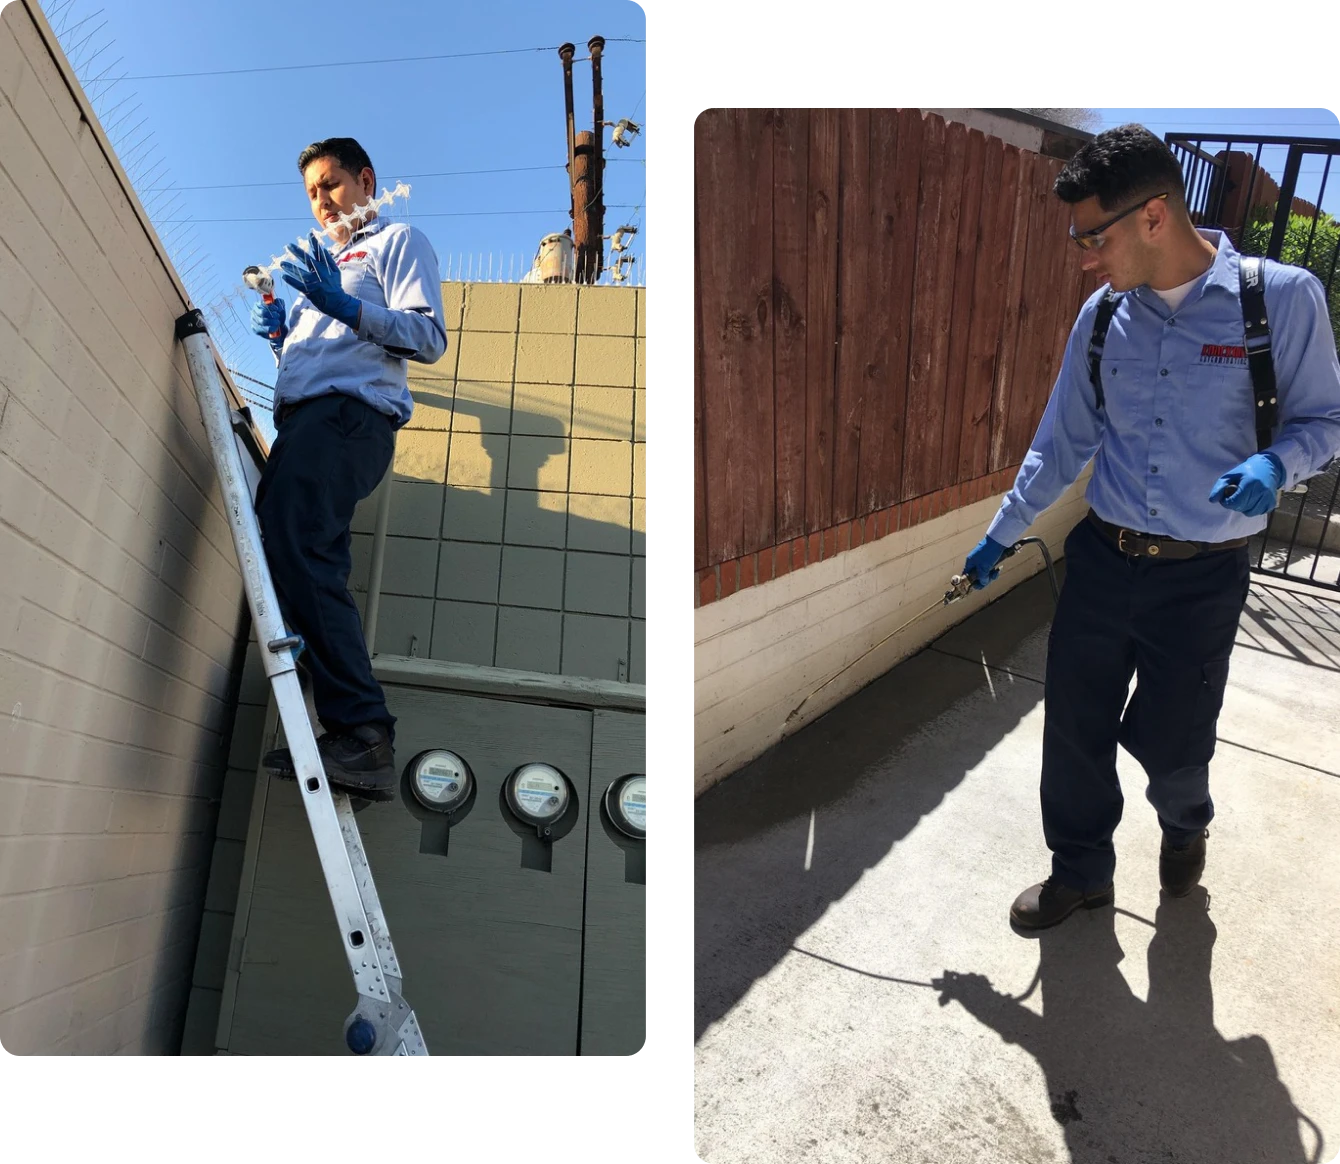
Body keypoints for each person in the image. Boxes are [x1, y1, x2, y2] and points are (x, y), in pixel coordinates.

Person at [960, 124, 1340, 928]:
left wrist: (1278, 465)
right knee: (1074, 729)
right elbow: (1061, 439)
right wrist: (1002, 531)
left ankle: (1185, 821)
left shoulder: (1280, 300)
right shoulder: (1103, 319)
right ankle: (1082, 870)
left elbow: (1324, 420)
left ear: (1155, 216)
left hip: (1203, 575)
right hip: (1103, 559)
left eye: (1093, 236)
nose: (1085, 257)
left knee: (1171, 749)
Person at [248, 136, 447, 800]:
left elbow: (428, 337)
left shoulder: (396, 241)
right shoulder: (321, 265)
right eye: (311, 191)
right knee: (292, 545)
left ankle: (362, 732)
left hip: (350, 419)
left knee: (298, 542)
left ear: (366, 179)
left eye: (332, 183)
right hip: (309, 421)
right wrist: (283, 335)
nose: (322, 199)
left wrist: (344, 306)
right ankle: (348, 717)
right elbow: (323, 358)